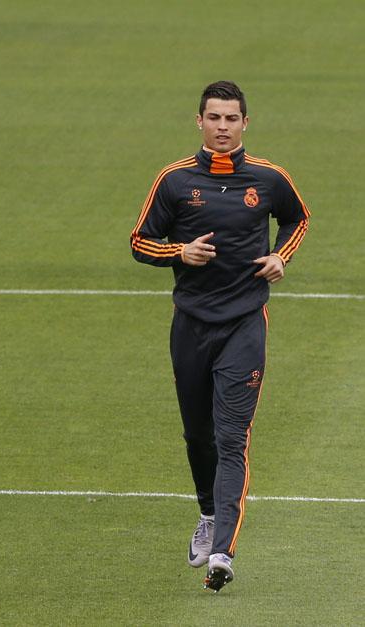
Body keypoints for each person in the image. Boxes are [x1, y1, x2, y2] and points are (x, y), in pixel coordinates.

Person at [130, 81, 309, 592]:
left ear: (245, 123)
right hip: (190, 325)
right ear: (200, 122)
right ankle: (208, 514)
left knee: (232, 438)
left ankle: (222, 553)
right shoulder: (174, 180)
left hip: (245, 323)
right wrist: (179, 252)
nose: (223, 127)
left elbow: (297, 220)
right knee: (198, 435)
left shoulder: (269, 178)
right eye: (214, 118)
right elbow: (140, 241)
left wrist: (280, 256)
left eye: (232, 118)